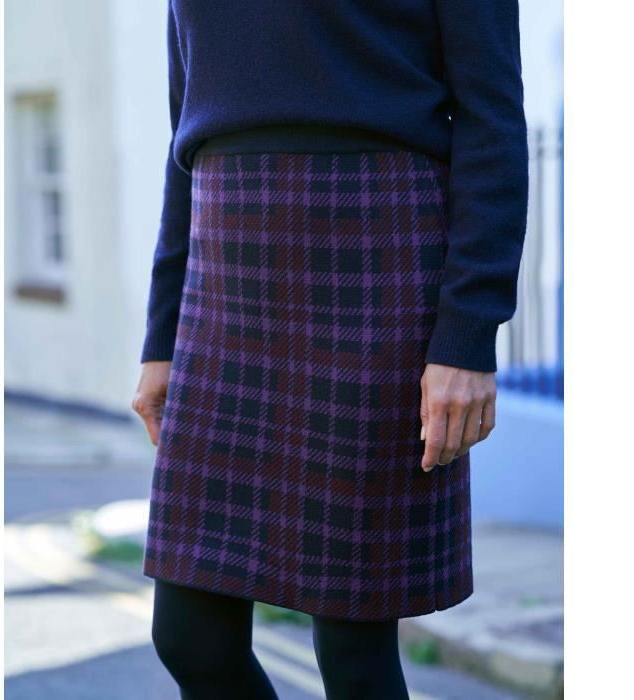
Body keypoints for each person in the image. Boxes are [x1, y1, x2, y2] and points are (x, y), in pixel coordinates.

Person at [132, 1, 528, 698]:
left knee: (354, 650)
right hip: (224, 275)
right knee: (190, 638)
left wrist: (467, 335)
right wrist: (161, 337)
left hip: (374, 254)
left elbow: (491, 120)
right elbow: (182, 143)